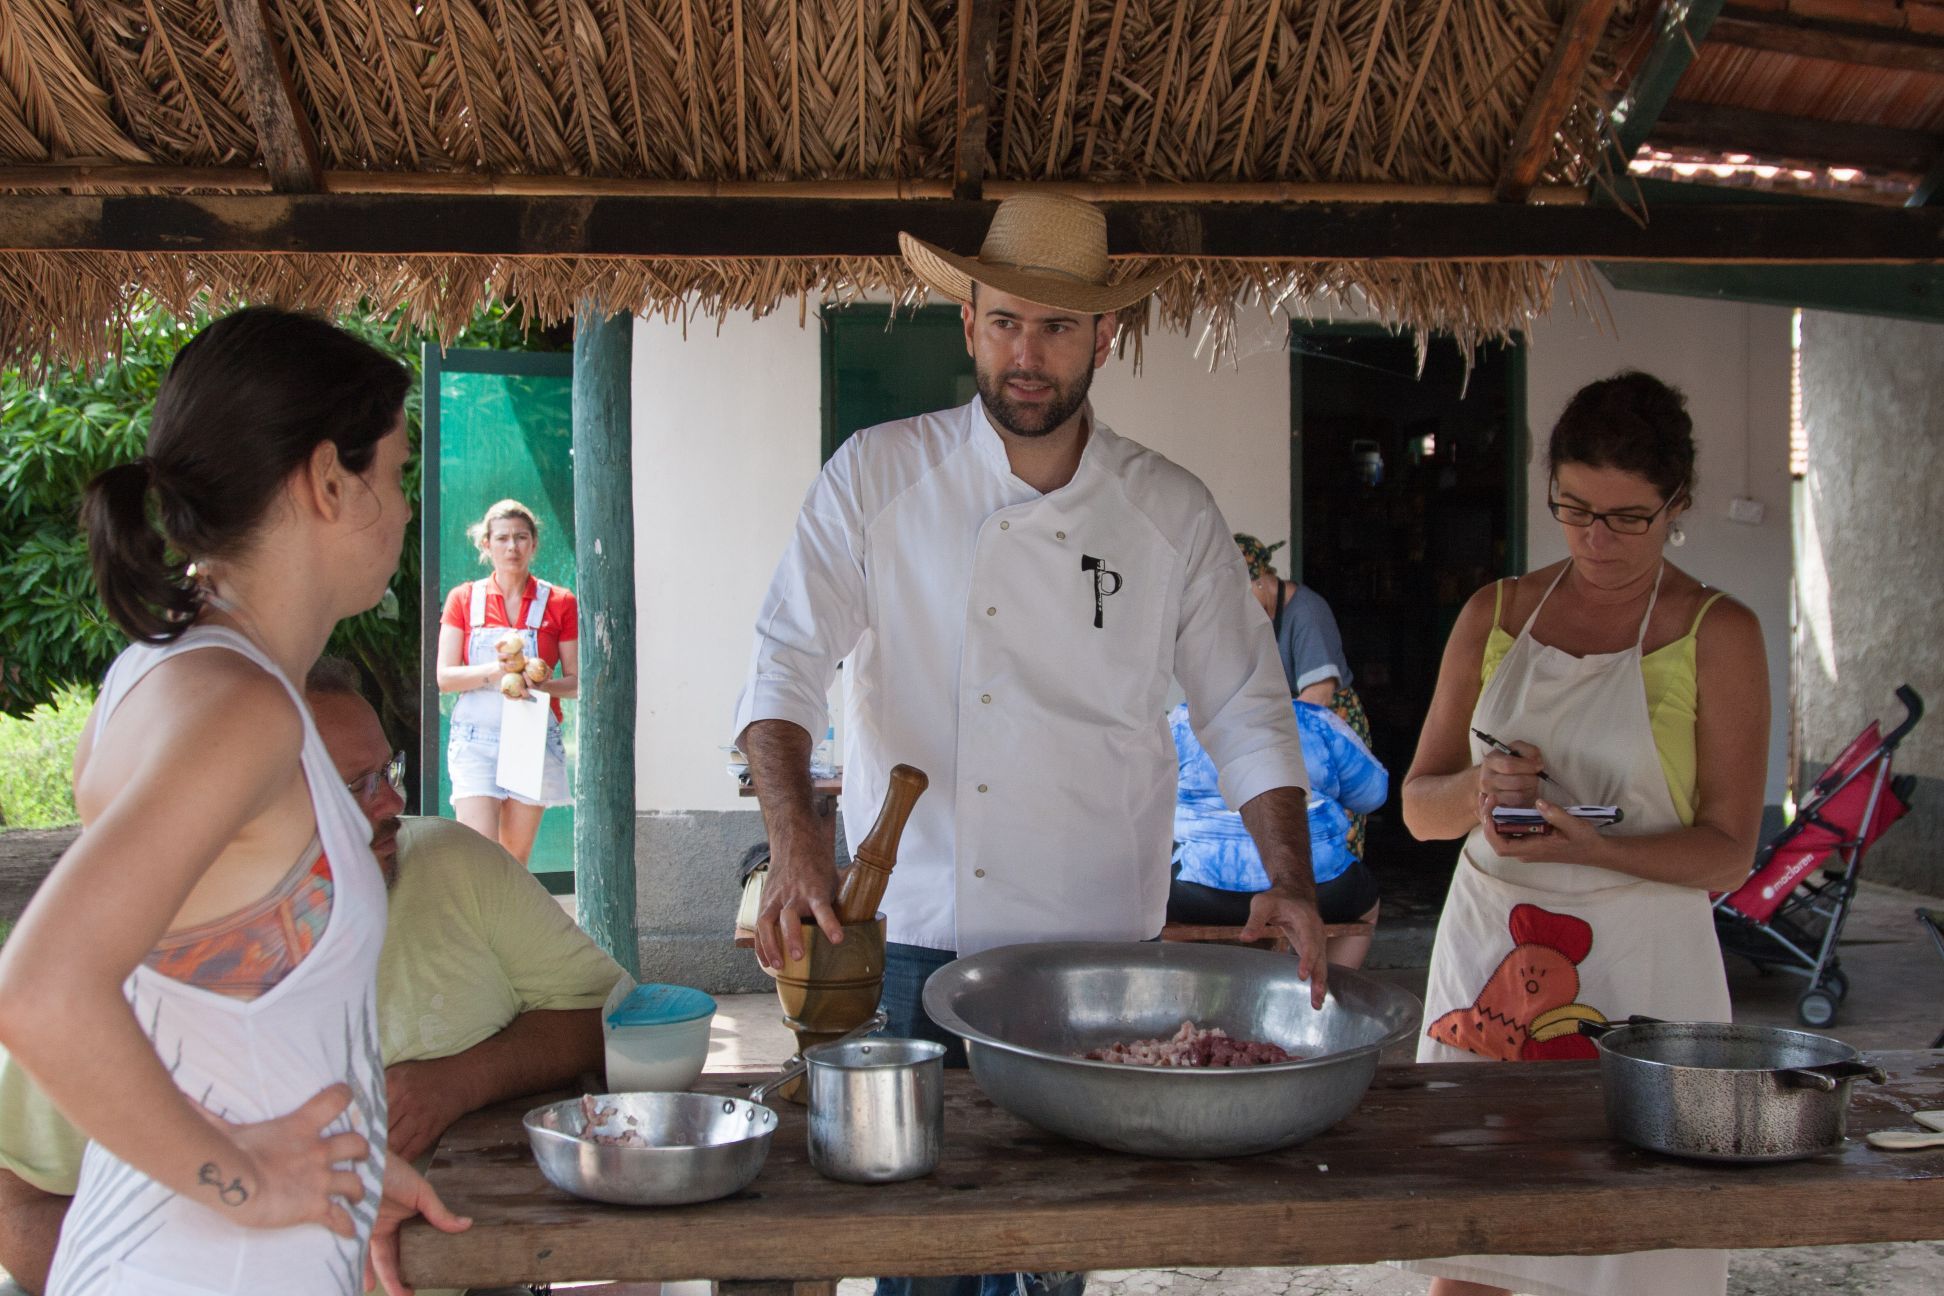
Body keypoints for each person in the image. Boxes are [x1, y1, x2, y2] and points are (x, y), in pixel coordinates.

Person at [734, 191, 1326, 1296]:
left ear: (1106, 337)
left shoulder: (1170, 512)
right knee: (919, 1256)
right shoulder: (876, 476)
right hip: (911, 944)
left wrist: (1287, 876)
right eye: (1006, 320)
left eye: (1057, 327)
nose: (1027, 353)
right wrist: (794, 840)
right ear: (967, 323)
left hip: (1094, 957)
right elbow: (782, 665)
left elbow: (1247, 706)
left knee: (1060, 1253)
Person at [0, 308, 467, 1296]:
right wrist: (251, 1183)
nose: (402, 505)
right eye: (393, 474)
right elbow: (41, 992)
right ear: (326, 482)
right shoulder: (242, 710)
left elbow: (208, 1010)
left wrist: (340, 1160)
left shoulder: (161, 677)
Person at [0, 657, 624, 1296]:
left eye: (390, 771)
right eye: (352, 786)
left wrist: (461, 1080)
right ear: (248, 810)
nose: (393, 802)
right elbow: (19, 1207)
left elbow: (614, 1020)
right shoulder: (134, 963)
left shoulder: (448, 863)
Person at [1398, 370, 1769, 1296]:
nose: (1596, 540)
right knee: (1476, 1238)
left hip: (1646, 965)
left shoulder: (1717, 632)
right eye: (1574, 509)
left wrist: (1597, 847)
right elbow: (1417, 805)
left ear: (1676, 505)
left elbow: (1728, 849)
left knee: (1635, 1246)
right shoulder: (1497, 612)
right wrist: (1482, 791)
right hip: (1492, 950)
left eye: (1629, 517)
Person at [1168, 698, 1388, 968]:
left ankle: (1181, 990)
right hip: (1321, 889)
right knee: (1366, 902)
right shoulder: (1314, 719)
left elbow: (1143, 793)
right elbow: (1372, 796)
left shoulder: (1182, 721)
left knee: (1157, 903)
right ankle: (1327, 995)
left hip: (1200, 891)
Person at [436, 499, 579, 864]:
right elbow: (445, 678)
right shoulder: (464, 600)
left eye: (520, 537)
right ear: (486, 544)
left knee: (513, 858)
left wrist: (539, 682)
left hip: (530, 737)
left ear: (533, 543)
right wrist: (498, 673)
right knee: (478, 855)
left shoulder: (560, 602)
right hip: (475, 740)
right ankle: (475, 923)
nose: (511, 547)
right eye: (501, 538)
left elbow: (578, 682)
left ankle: (502, 922)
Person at [1234, 532, 1375, 858]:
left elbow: (1318, 696)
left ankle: (1340, 905)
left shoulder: (1307, 611)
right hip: (1294, 734)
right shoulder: (1260, 616)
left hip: (1328, 732)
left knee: (1332, 834)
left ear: (1259, 582)